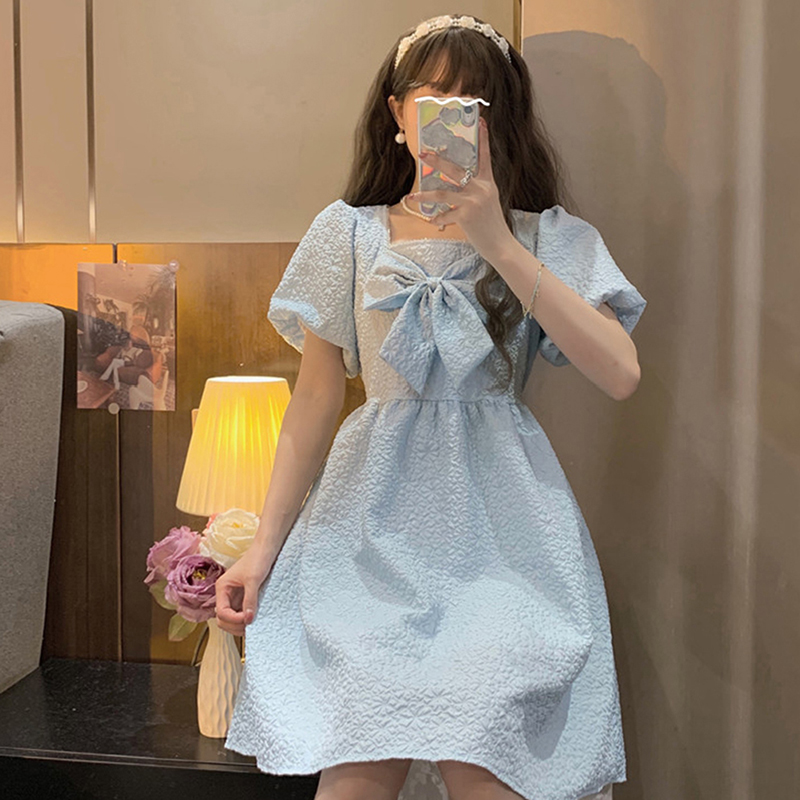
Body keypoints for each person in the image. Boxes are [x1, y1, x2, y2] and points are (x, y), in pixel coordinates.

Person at [217, 13, 647, 800]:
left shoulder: (542, 237)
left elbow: (620, 372)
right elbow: (314, 400)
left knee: (489, 765)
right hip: (366, 539)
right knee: (355, 777)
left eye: (473, 100)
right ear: (396, 111)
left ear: (499, 116)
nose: (452, 113)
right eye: (434, 95)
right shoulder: (347, 235)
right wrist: (261, 550)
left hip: (503, 544)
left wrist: (497, 242)